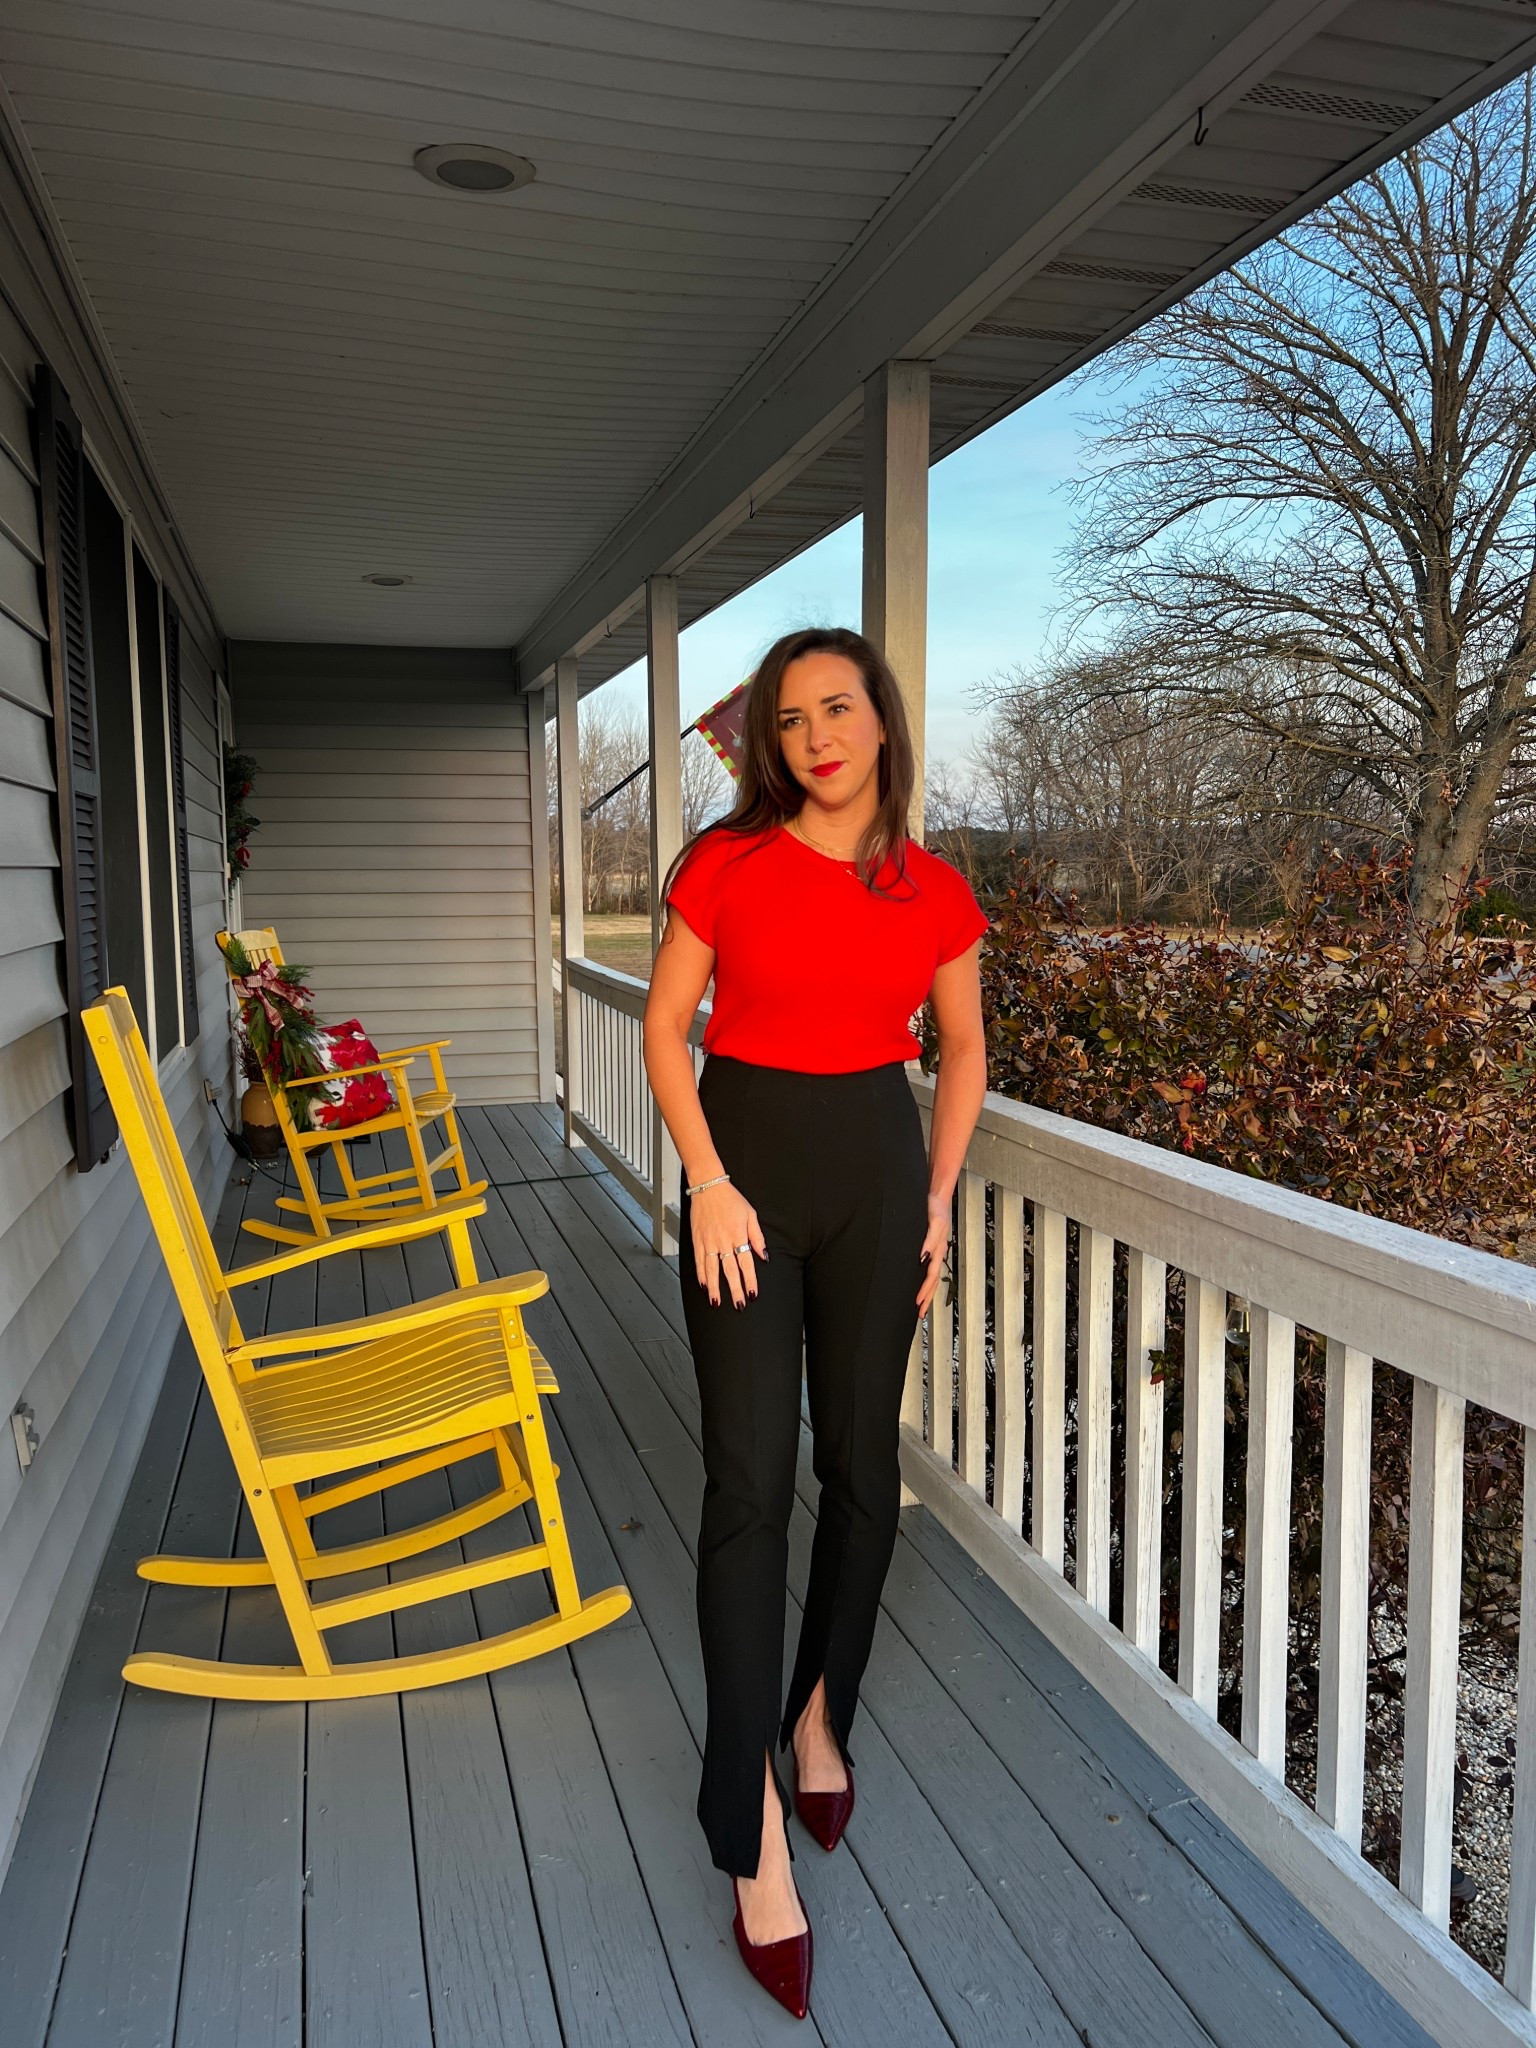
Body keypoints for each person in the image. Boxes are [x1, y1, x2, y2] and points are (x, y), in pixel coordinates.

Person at [641, 626, 990, 2019]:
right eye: (789, 721)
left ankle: (818, 1711)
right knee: (749, 1490)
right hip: (745, 1182)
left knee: (864, 1475)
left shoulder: (936, 890)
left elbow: (960, 1046)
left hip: (879, 1179)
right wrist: (709, 1183)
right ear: (771, 746)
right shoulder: (724, 867)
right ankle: (751, 1829)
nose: (815, 738)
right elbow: (669, 1030)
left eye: (836, 709)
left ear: (882, 724)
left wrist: (944, 1194)